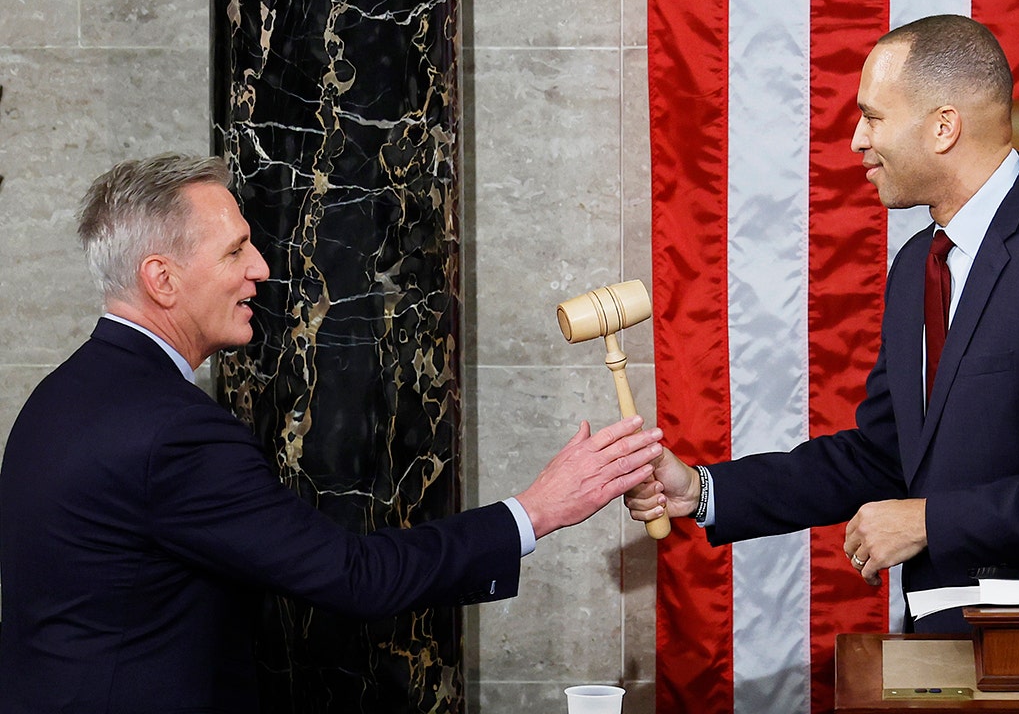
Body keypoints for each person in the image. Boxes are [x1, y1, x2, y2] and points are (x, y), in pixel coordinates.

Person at [0, 153, 664, 712]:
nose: (260, 268)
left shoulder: (58, 398)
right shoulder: (172, 432)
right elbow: (356, 577)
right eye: (236, 249)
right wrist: (538, 510)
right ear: (162, 279)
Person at [625, 14, 1019, 633]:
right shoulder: (919, 262)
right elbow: (886, 454)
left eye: (873, 117)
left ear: (943, 127)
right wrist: (704, 491)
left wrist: (926, 521)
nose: (858, 140)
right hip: (953, 634)